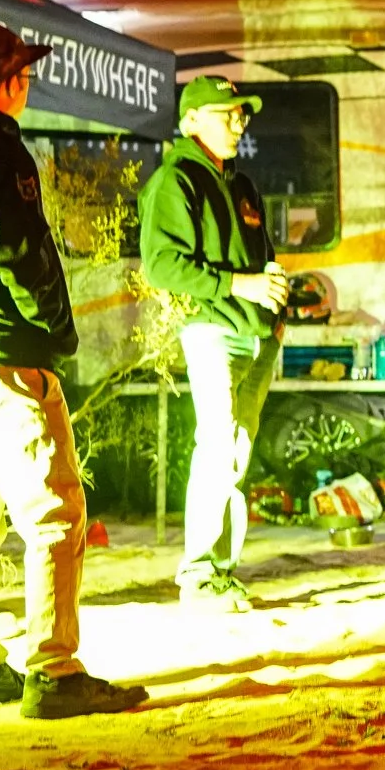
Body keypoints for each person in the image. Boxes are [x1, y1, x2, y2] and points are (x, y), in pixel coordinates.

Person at [0, 23, 146, 718]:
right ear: (4, 83)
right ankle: (55, 670)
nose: (29, 85)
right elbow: (19, 250)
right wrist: (56, 331)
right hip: (5, 356)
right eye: (24, 75)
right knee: (55, 513)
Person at [138, 76, 287, 613]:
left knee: (235, 453)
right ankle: (198, 575)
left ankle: (220, 572)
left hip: (254, 335)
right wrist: (238, 286)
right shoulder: (174, 182)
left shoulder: (240, 184)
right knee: (218, 445)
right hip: (211, 330)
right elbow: (161, 265)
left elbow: (262, 258)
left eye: (242, 113)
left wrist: (276, 312)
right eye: (226, 113)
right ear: (191, 121)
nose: (238, 121)